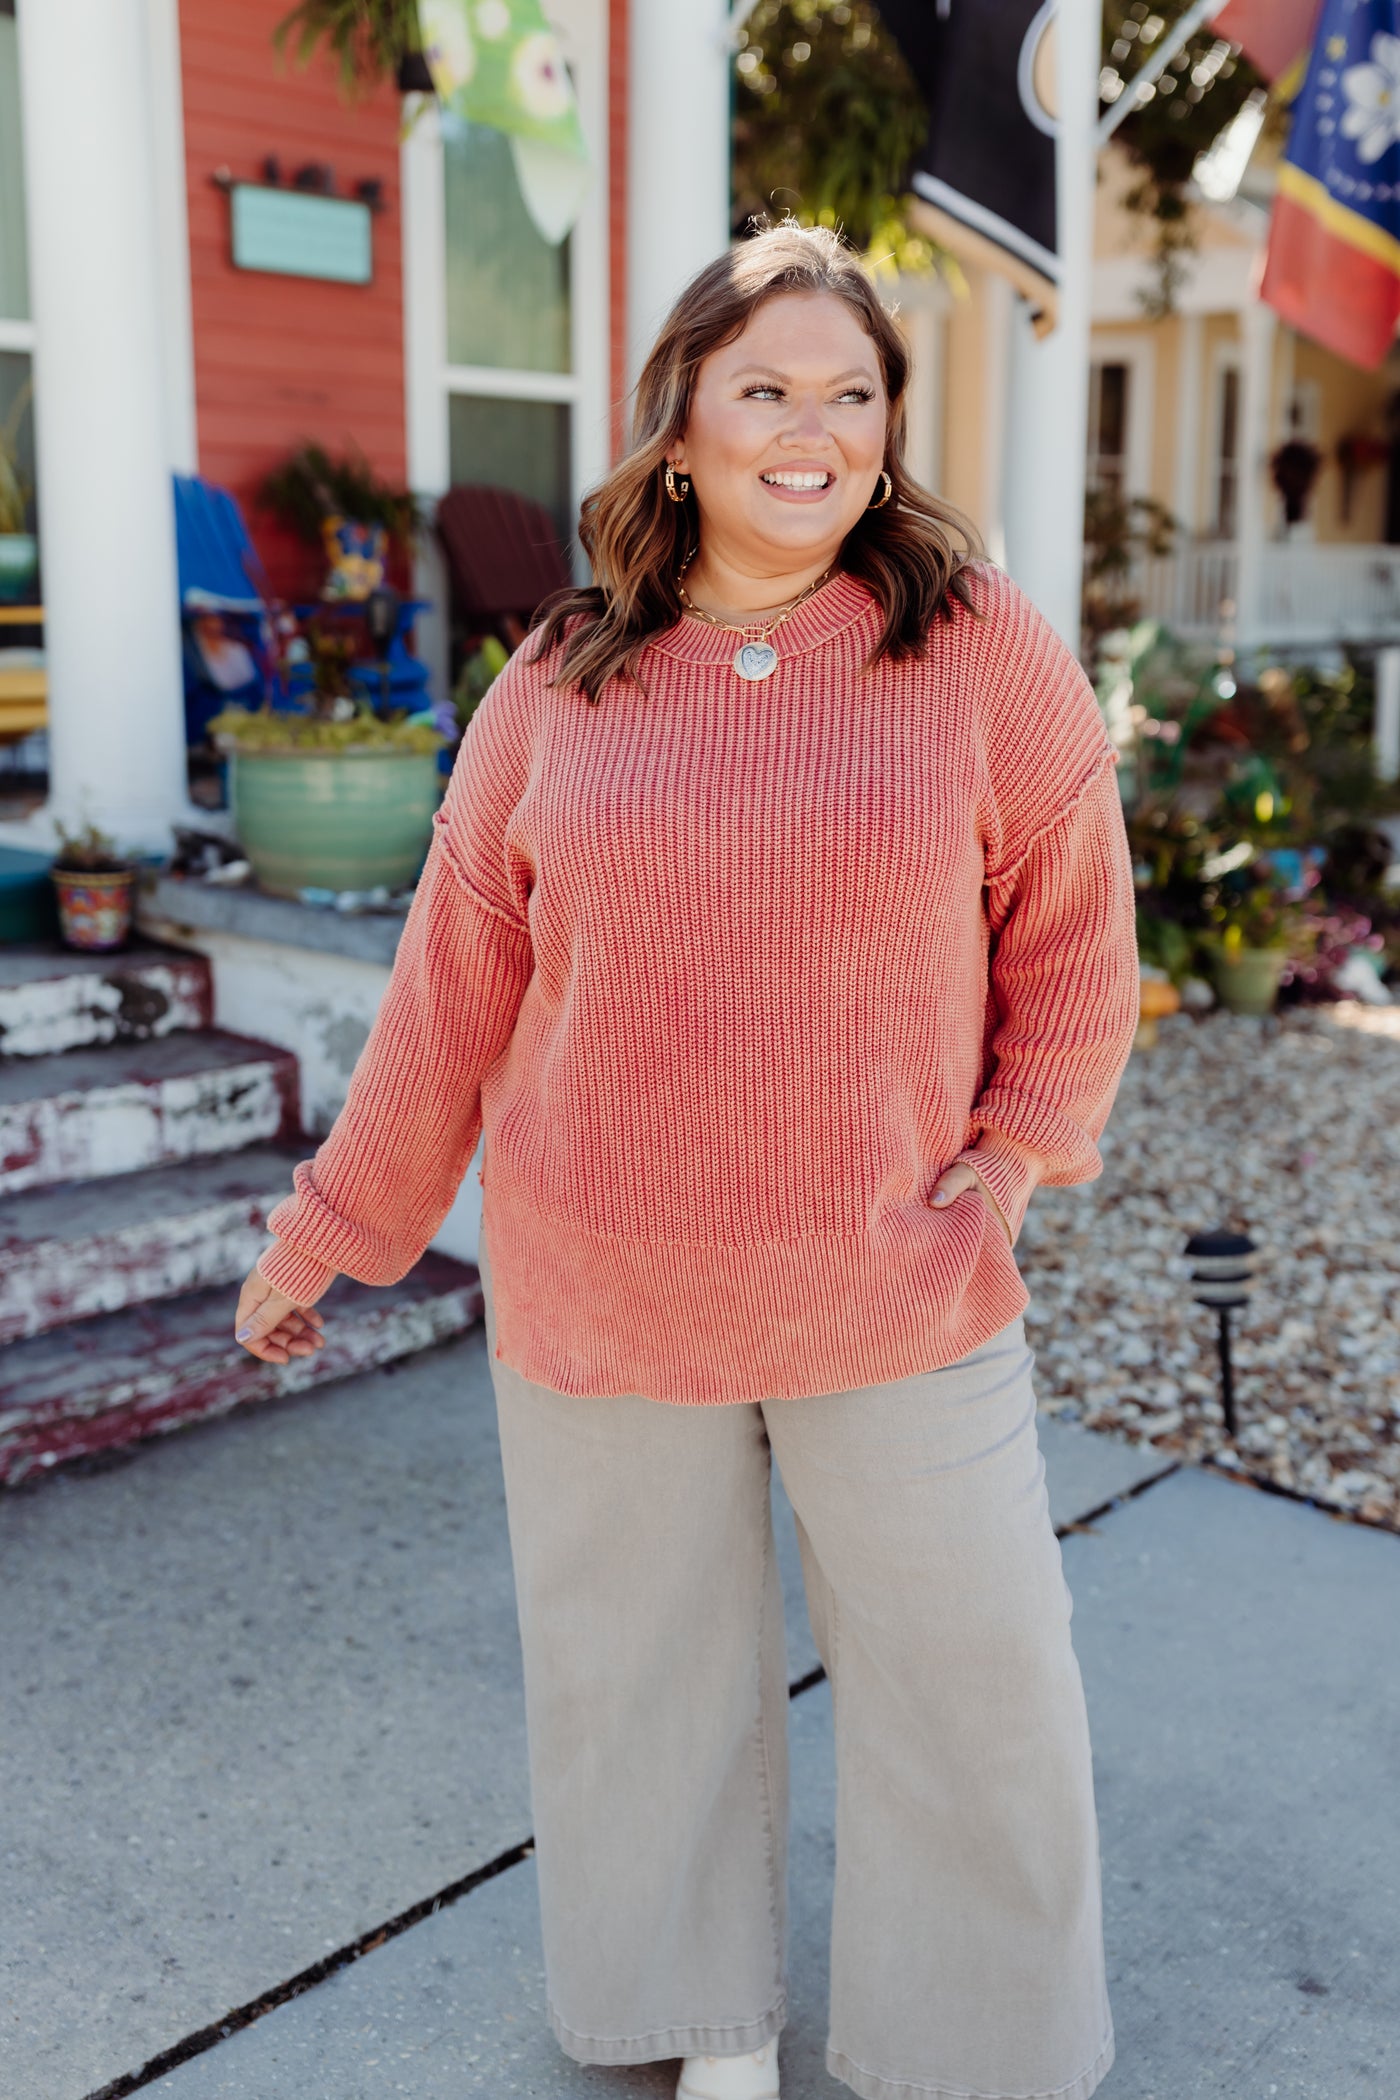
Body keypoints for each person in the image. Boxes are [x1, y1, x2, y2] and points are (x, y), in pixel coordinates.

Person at [233, 223, 1139, 2100]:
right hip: (601, 1273)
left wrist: (1027, 1143)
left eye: (853, 394)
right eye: (767, 391)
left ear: (889, 427)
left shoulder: (972, 641)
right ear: (678, 432)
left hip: (893, 1273)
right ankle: (697, 2029)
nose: (812, 433)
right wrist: (331, 1227)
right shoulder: (562, 677)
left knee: (978, 1687)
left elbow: (1074, 908)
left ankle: (971, 2053)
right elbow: (453, 978)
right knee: (635, 1684)